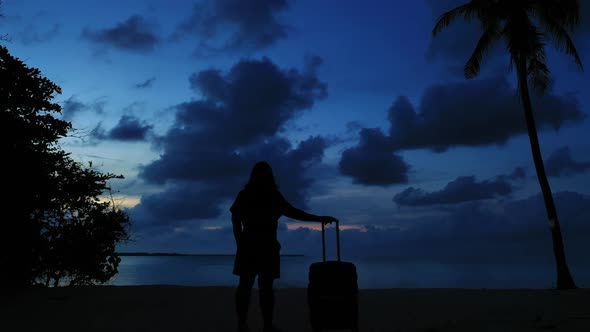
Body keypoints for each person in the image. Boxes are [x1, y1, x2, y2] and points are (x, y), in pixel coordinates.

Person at [230, 161, 338, 332]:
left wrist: (240, 242)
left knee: (245, 286)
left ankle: (243, 324)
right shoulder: (272, 196)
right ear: (270, 176)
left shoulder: (246, 194)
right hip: (266, 247)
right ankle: (264, 325)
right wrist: (319, 218)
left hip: (249, 246)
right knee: (265, 288)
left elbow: (235, 220)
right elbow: (296, 213)